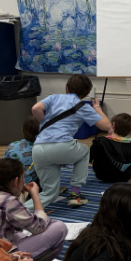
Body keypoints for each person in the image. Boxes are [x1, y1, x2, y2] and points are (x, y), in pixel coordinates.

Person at [31, 75, 110, 208]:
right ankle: (75, 194)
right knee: (84, 151)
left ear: (66, 88)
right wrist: (97, 108)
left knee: (49, 194)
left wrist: (44, 123)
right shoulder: (82, 107)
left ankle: (15, 212)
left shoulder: (54, 97)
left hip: (38, 147)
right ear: (86, 93)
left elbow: (35, 108)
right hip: (61, 146)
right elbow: (106, 126)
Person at [0, 158, 68, 261]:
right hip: (1, 255)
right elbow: (39, 226)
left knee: (20, 234)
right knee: (59, 227)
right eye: (23, 178)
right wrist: (35, 195)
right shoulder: (7, 201)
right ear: (16, 181)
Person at [89, 113, 131, 184]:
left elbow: (90, 159)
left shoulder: (99, 142)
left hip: (104, 176)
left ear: (113, 125)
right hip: (127, 176)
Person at [3, 115, 40, 187]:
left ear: (23, 129)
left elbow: (4, 163)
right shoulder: (44, 149)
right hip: (32, 185)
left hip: (11, 183)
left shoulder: (13, 145)